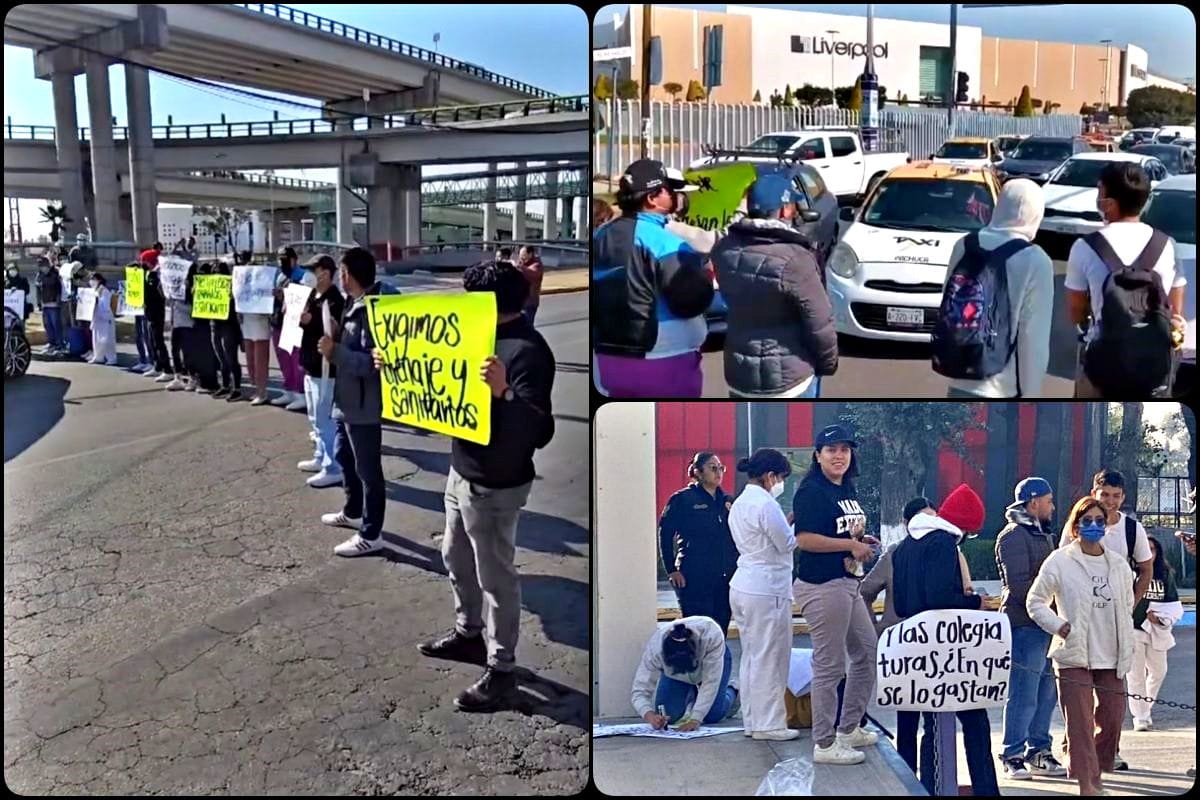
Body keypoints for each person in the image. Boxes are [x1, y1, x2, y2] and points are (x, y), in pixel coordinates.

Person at [416, 259, 555, 711]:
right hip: (462, 471)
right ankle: (468, 634)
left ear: (489, 304)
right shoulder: (476, 336)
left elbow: (540, 430)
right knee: (453, 555)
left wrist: (505, 394)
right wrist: (394, 364)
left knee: (496, 578)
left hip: (497, 484)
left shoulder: (529, 352)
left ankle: (502, 671)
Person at [893, 484, 999, 796]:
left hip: (915, 648)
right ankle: (983, 790)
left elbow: (900, 603)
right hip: (947, 652)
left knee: (929, 727)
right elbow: (940, 597)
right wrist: (975, 603)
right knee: (974, 725)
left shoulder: (903, 547)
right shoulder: (942, 544)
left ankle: (926, 789)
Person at [1028, 496, 1136, 797]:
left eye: (1099, 522)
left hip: (1113, 655)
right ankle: (1088, 783)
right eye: (1086, 521)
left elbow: (1126, 604)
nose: (1093, 526)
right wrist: (1059, 626)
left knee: (1113, 718)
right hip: (1073, 654)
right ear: (1075, 527)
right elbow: (1035, 602)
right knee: (1080, 722)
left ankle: (1095, 769)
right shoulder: (1060, 560)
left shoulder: (1117, 565)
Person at [791, 425, 878, 764]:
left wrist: (861, 541)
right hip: (822, 584)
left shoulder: (847, 488)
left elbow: (845, 531)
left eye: (844, 449)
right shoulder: (812, 491)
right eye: (831, 450)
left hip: (848, 581)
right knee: (830, 664)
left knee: (867, 653)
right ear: (817, 455)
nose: (839, 455)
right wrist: (849, 545)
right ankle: (825, 744)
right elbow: (805, 539)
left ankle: (849, 727)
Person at [710, 171, 838, 399]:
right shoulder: (795, 258)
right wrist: (828, 363)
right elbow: (819, 321)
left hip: (739, 373)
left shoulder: (724, 250)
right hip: (790, 378)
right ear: (784, 209)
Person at [592, 159, 713, 398]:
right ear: (652, 198)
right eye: (669, 189)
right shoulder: (666, 242)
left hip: (606, 362)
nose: (675, 196)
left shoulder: (600, 235)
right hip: (663, 361)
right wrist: (706, 275)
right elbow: (691, 301)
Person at [1066, 162, 1186, 398]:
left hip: (1102, 369)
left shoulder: (1085, 247)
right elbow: (1175, 310)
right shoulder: (1167, 245)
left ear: (1109, 203)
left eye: (1100, 192)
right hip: (1153, 368)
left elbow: (1075, 312)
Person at [942, 178, 1054, 398]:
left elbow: (948, 306)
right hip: (1003, 389)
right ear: (1036, 214)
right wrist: (1031, 394)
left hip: (959, 381)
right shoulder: (1035, 260)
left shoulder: (965, 245)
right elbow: (1033, 339)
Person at [318, 247, 397, 557]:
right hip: (346, 401)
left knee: (368, 470)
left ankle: (371, 532)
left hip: (363, 406)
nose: (339, 276)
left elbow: (371, 363)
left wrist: (334, 351)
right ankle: (352, 511)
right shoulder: (353, 303)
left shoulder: (376, 310)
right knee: (343, 456)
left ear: (349, 274)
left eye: (342, 271)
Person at [995, 477, 1068, 780]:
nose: (1053, 506)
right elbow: (1019, 585)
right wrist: (1052, 602)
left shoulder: (1042, 534)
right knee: (1024, 694)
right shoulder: (1013, 536)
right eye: (1049, 501)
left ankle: (1039, 750)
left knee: (1047, 693)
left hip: (1048, 625)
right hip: (1025, 626)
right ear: (1034, 502)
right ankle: (1012, 754)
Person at [860, 497, 935, 775]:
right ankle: (908, 778)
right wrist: (877, 630)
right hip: (902, 646)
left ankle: (931, 779)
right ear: (907, 524)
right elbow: (865, 593)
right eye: (922, 519)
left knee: (935, 720)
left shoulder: (943, 552)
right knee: (907, 721)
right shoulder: (894, 554)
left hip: (937, 646)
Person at [727, 448, 797, 741]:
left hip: (744, 583)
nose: (780, 483)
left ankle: (753, 721)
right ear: (770, 476)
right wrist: (794, 525)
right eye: (780, 477)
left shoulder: (742, 501)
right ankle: (770, 724)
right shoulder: (766, 505)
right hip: (767, 588)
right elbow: (786, 543)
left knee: (752, 656)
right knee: (771, 656)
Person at [658, 452, 738, 636]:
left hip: (723, 578)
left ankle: (718, 665)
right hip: (694, 576)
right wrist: (671, 569)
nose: (718, 472)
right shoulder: (683, 500)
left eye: (721, 468)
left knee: (719, 632)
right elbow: (665, 533)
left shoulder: (727, 502)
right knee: (696, 632)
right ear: (698, 472)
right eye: (712, 468)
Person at [631, 619, 740, 731]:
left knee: (712, 715)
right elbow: (639, 690)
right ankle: (691, 693)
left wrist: (695, 719)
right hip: (676, 677)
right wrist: (650, 716)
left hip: (717, 659)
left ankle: (734, 691)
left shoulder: (711, 635)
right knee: (669, 715)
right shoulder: (655, 649)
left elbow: (710, 682)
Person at [297, 255, 345, 488]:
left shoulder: (334, 299)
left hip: (325, 369)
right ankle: (320, 456)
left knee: (325, 420)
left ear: (325, 273)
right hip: (310, 365)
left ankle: (332, 466)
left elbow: (332, 332)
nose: (308, 275)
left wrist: (310, 319)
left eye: (312, 270)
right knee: (316, 418)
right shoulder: (312, 296)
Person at [1127, 534, 1182, 732]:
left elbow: (1173, 604)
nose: (1149, 553)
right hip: (1133, 629)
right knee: (1135, 675)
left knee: (1159, 671)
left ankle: (1145, 708)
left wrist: (1160, 618)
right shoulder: (1130, 573)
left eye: (1153, 549)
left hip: (1156, 630)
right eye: (1145, 548)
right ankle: (1140, 717)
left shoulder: (1165, 574)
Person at [270, 246, 313, 410]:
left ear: (294, 260)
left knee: (296, 359)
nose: (282, 263)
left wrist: (286, 296)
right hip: (278, 321)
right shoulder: (280, 276)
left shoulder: (304, 276)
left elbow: (308, 298)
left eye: (285, 259)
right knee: (283, 358)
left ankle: (301, 393)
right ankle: (289, 389)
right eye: (279, 259)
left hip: (294, 323)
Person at [209, 260, 245, 402]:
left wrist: (232, 296)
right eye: (214, 272)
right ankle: (225, 385)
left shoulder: (233, 288)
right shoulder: (210, 287)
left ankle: (236, 388)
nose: (216, 274)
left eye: (219, 272)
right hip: (215, 324)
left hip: (229, 325)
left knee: (231, 358)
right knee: (221, 358)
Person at [139, 248, 174, 382]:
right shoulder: (148, 274)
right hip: (149, 311)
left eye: (145, 261)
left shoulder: (158, 276)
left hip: (156, 311)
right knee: (152, 340)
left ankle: (167, 368)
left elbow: (157, 293)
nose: (143, 264)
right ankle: (157, 365)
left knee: (158, 341)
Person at [86, 271, 118, 366]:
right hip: (96, 317)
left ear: (99, 280)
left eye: (93, 279)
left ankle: (111, 358)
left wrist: (96, 301)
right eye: (91, 279)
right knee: (96, 338)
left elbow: (105, 305)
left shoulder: (104, 290)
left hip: (105, 318)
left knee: (107, 339)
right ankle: (98, 357)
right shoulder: (93, 290)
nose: (91, 281)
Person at [34, 258, 64, 354]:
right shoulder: (39, 275)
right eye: (41, 267)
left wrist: (58, 300)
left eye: (43, 266)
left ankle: (59, 344)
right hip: (45, 304)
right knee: (47, 325)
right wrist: (39, 302)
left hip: (54, 304)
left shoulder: (55, 274)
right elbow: (38, 289)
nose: (42, 268)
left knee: (56, 325)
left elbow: (59, 288)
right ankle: (51, 343)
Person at [516, 245, 544, 325]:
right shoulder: (522, 263)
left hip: (529, 303)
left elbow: (532, 274)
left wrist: (520, 267)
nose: (521, 258)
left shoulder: (537, 265)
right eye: (520, 255)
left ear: (530, 254)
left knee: (527, 326)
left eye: (523, 255)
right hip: (520, 302)